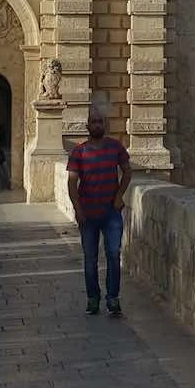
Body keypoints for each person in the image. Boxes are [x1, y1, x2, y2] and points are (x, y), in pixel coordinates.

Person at [66, 114, 131, 317]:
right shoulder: (79, 151)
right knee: (90, 259)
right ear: (87, 126)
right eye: (93, 122)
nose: (96, 125)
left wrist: (119, 196)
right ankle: (92, 299)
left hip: (111, 212)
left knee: (113, 255)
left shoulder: (115, 147)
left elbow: (127, 171)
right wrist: (77, 209)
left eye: (100, 122)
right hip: (88, 213)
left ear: (105, 125)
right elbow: (71, 183)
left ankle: (113, 298)